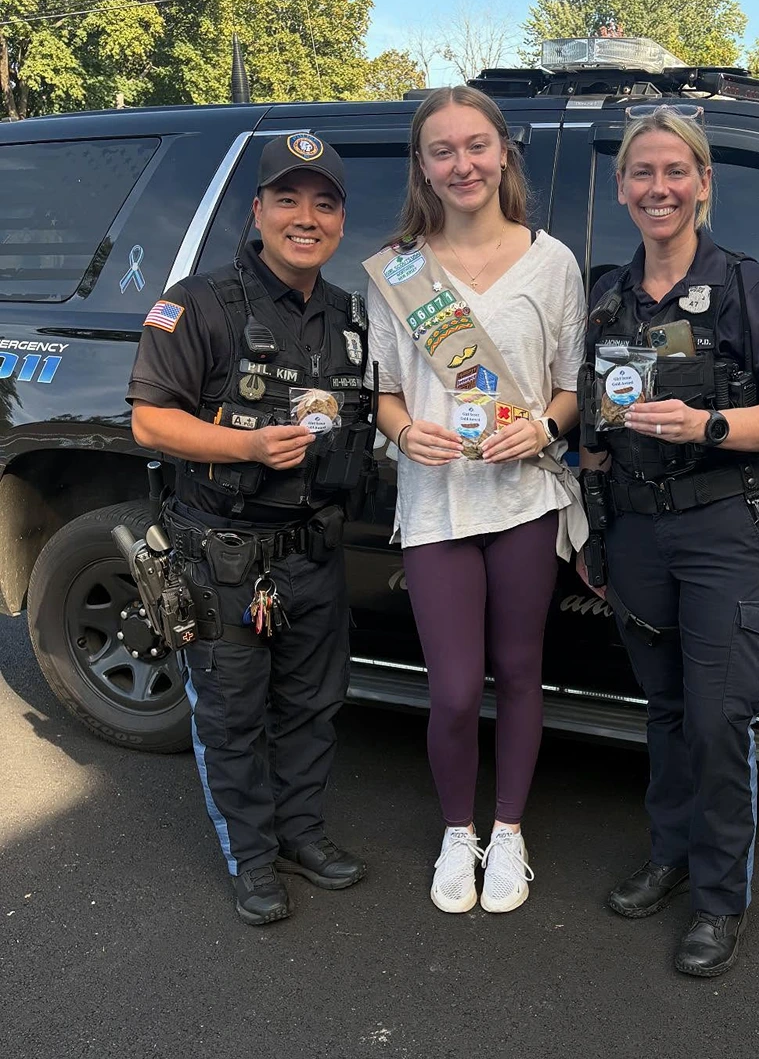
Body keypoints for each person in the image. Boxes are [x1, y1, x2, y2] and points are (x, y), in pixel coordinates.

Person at [578, 105, 759, 977]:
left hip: (722, 528)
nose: (658, 187)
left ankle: (719, 898)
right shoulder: (606, 295)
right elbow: (595, 431)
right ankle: (670, 853)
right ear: (621, 189)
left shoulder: (747, 284)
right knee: (668, 708)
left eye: (675, 171)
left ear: (703, 184)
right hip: (636, 531)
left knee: (719, 718)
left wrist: (709, 423)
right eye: (641, 173)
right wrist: (592, 526)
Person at [127, 134, 374, 925]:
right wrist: (245, 445)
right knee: (232, 717)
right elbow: (148, 422)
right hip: (222, 556)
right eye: (289, 200)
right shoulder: (198, 303)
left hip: (313, 550)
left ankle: (302, 834)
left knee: (312, 706)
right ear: (259, 210)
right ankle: (253, 856)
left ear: (340, 219)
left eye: (325, 202)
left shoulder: (352, 317)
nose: (307, 217)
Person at [362, 86, 587, 915]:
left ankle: (510, 829)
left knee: (522, 672)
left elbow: (568, 389)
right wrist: (401, 430)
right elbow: (382, 392)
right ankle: (459, 829)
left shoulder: (551, 261)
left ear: (503, 153)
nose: (463, 164)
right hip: (436, 503)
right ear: (422, 166)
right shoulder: (400, 272)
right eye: (443, 150)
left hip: (524, 497)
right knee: (454, 688)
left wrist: (542, 429)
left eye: (476, 145)